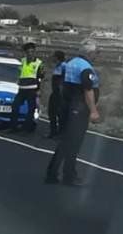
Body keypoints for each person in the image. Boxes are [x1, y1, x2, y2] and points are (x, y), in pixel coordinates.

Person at [45, 40, 101, 186]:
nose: (97, 56)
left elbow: (62, 84)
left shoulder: (70, 63)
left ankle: (56, 173)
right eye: (96, 53)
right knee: (73, 143)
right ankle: (67, 175)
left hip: (66, 105)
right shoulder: (86, 68)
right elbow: (88, 90)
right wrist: (93, 111)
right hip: (79, 107)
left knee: (65, 140)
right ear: (89, 53)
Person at [9, 42, 44, 133]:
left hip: (32, 89)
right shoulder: (23, 60)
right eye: (28, 52)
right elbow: (19, 72)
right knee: (15, 106)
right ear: (25, 52)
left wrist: (39, 90)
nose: (30, 54)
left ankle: (27, 129)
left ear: (34, 52)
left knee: (30, 109)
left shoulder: (38, 63)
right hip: (22, 88)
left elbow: (41, 77)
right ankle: (13, 127)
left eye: (32, 51)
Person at [46, 51, 67, 138]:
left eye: (54, 56)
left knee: (60, 113)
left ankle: (61, 133)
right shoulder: (57, 66)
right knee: (52, 112)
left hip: (60, 93)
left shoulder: (64, 66)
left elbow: (64, 80)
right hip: (55, 92)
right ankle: (53, 131)